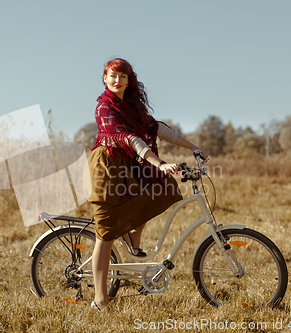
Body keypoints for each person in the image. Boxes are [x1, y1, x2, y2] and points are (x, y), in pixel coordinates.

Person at [87, 58, 208, 310]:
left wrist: (192, 147)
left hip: (132, 163)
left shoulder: (133, 107)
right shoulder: (104, 108)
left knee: (156, 190)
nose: (117, 80)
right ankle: (99, 299)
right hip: (108, 167)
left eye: (122, 76)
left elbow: (157, 129)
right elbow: (129, 139)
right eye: (112, 76)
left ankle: (134, 240)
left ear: (129, 80)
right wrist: (158, 162)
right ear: (105, 79)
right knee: (106, 233)